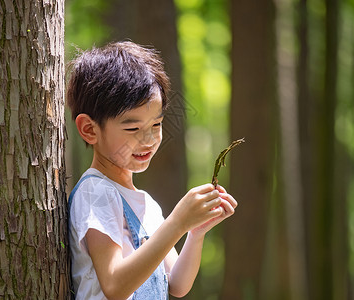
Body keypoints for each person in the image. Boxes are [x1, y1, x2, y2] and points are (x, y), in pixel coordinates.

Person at [66, 41, 237, 300]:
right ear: (90, 130)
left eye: (156, 124)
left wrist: (195, 232)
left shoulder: (148, 205)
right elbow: (113, 285)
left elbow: (177, 285)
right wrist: (177, 223)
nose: (148, 140)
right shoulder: (96, 191)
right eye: (133, 128)